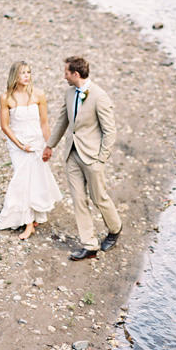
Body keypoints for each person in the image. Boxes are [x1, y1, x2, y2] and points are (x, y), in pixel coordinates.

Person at [43, 56, 122, 260]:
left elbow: (110, 131)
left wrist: (101, 159)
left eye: (66, 73)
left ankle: (115, 229)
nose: (64, 76)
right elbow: (63, 120)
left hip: (92, 157)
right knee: (78, 200)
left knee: (99, 198)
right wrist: (50, 145)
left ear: (75, 74)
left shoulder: (99, 96)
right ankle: (90, 245)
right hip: (72, 154)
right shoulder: (69, 93)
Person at [0, 61, 62, 240]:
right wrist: (20, 145)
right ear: (14, 76)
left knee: (36, 179)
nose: (26, 76)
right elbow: (5, 126)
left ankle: (32, 218)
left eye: (28, 72)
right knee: (22, 179)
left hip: (37, 141)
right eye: (22, 73)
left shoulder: (38, 95)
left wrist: (49, 145)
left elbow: (44, 123)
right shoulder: (6, 98)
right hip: (18, 144)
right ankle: (28, 223)